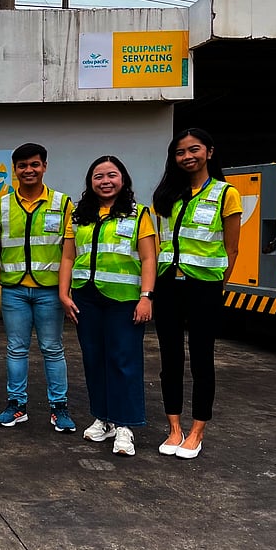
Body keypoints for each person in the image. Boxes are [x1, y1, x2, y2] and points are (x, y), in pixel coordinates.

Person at [151, 128, 241, 459]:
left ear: (210, 152)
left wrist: (220, 286)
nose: (187, 157)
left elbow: (232, 249)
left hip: (204, 287)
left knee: (202, 359)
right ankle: (174, 427)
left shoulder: (224, 193)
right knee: (169, 359)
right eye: (180, 152)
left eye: (194, 150)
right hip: (167, 285)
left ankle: (197, 430)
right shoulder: (166, 195)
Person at [58, 156, 156, 457]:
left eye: (112, 175)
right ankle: (103, 418)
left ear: (123, 179)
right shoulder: (78, 215)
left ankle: (125, 426)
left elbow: (149, 258)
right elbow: (68, 258)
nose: (105, 181)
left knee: (123, 361)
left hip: (124, 300)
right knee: (94, 359)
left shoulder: (139, 214)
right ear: (90, 181)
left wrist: (146, 296)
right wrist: (64, 294)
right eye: (98, 176)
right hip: (87, 298)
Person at [0, 143, 76, 432]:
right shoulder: (1, 205)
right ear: (14, 170)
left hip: (49, 291)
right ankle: (16, 406)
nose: (29, 170)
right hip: (14, 289)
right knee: (16, 349)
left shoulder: (63, 204)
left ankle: (59, 408)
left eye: (35, 164)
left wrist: (65, 292)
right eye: (23, 166)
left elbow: (69, 252)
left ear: (45, 167)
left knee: (53, 349)